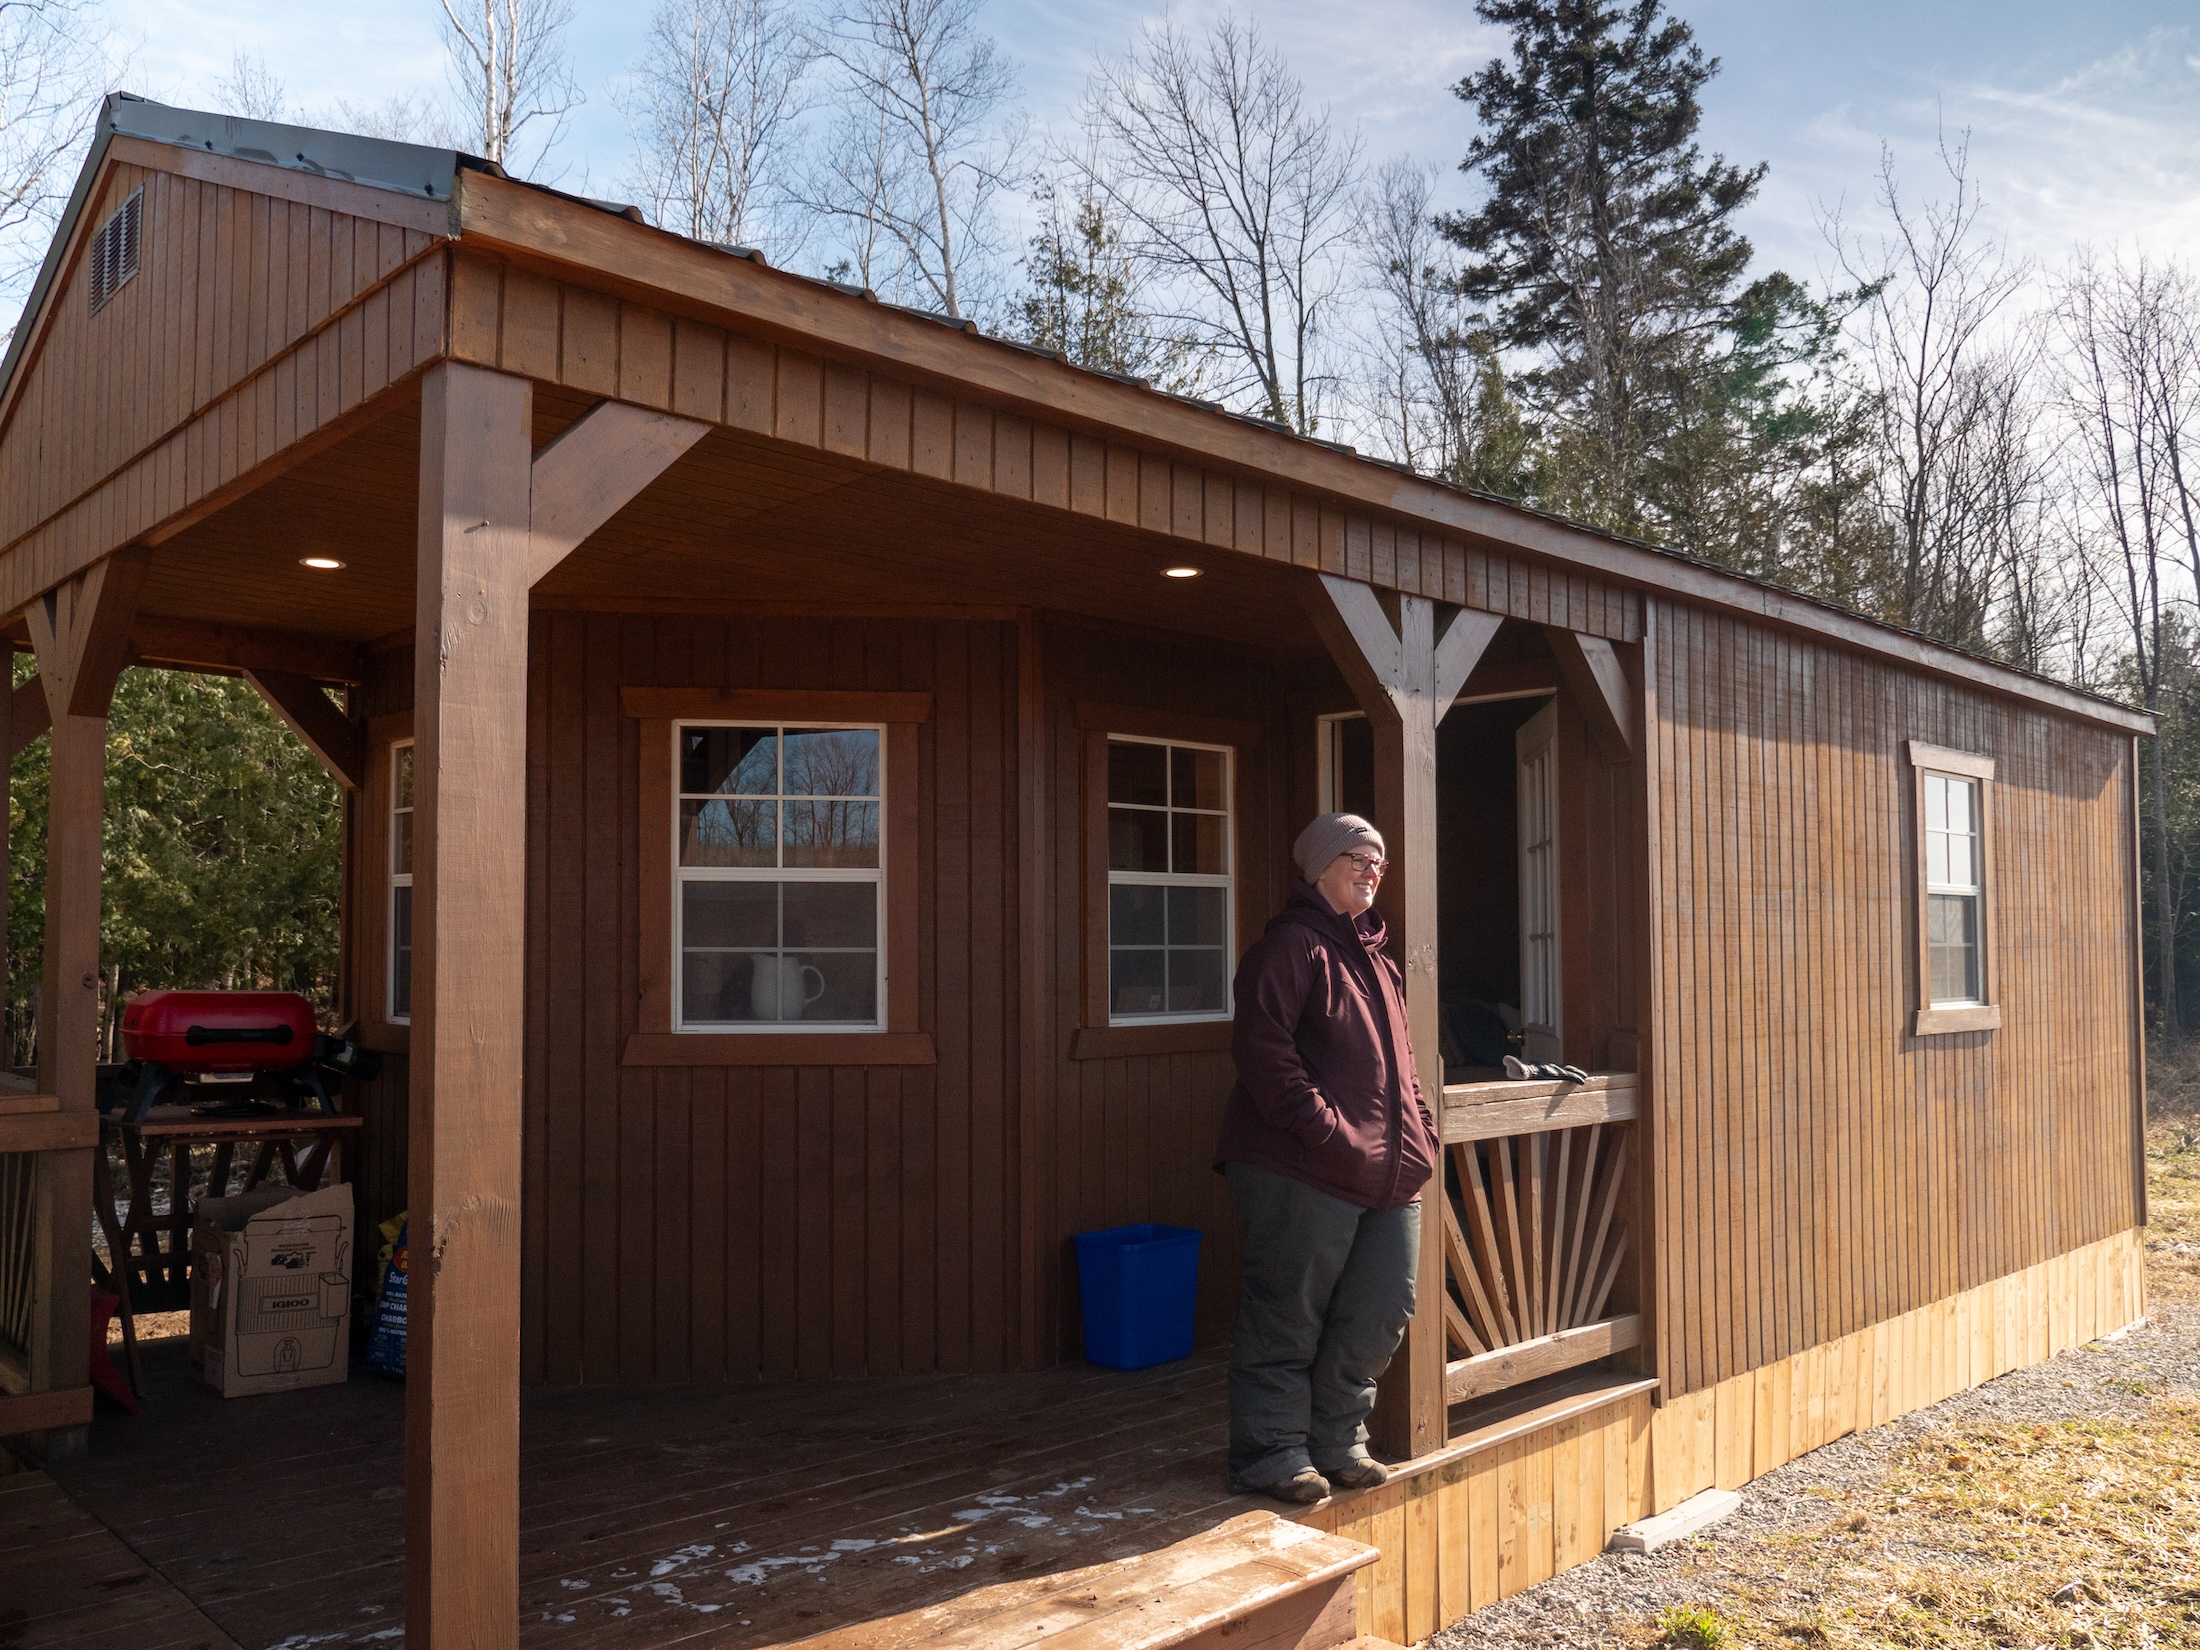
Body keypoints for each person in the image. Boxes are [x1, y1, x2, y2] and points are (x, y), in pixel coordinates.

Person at [1213, 812, 1439, 1503]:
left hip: (1388, 1175)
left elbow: (1403, 1067)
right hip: (1301, 1168)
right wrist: (1327, 1131)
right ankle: (1272, 1454)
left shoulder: (1377, 959)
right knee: (1288, 1314)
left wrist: (1422, 1132)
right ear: (1317, 867)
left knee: (1380, 1310)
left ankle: (1339, 1442)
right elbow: (1263, 1055)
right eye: (1356, 858)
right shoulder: (1290, 948)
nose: (1372, 871)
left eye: (1379, 862)